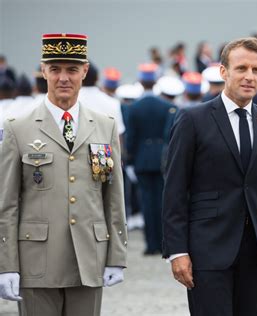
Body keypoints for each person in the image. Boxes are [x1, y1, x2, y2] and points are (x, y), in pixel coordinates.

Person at [162, 37, 257, 316]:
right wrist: (177, 251)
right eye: (241, 68)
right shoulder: (192, 119)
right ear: (224, 72)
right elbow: (174, 189)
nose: (249, 77)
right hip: (207, 249)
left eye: (256, 70)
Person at [0, 33, 127, 316]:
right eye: (55, 69)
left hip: (89, 258)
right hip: (36, 262)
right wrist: (6, 265)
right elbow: (7, 204)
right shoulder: (18, 128)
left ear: (84, 71)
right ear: (43, 71)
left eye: (71, 69)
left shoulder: (104, 126)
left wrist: (116, 255)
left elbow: (111, 194)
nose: (63, 78)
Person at [126, 63, 177, 255]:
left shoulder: (134, 107)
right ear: (155, 81)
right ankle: (164, 243)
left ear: (141, 81)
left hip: (141, 159)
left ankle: (151, 243)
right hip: (162, 159)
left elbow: (131, 137)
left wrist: (129, 160)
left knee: (147, 202)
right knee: (163, 202)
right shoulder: (167, 106)